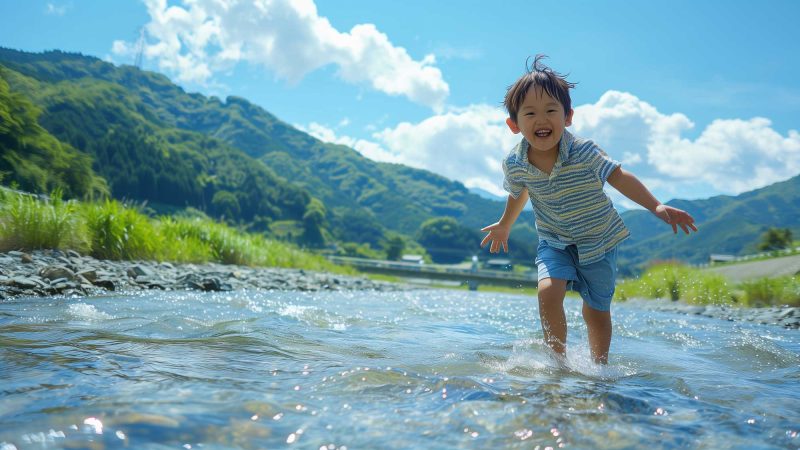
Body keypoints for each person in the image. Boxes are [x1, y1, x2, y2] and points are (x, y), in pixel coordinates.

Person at [480, 55, 698, 364]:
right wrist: (505, 224)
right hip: (554, 241)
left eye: (551, 111)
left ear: (568, 117)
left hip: (599, 241)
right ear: (514, 124)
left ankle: (599, 368)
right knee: (548, 292)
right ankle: (558, 363)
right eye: (530, 113)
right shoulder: (515, 163)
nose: (541, 119)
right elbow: (519, 192)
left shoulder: (584, 151)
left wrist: (656, 205)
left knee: (596, 311)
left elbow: (619, 177)